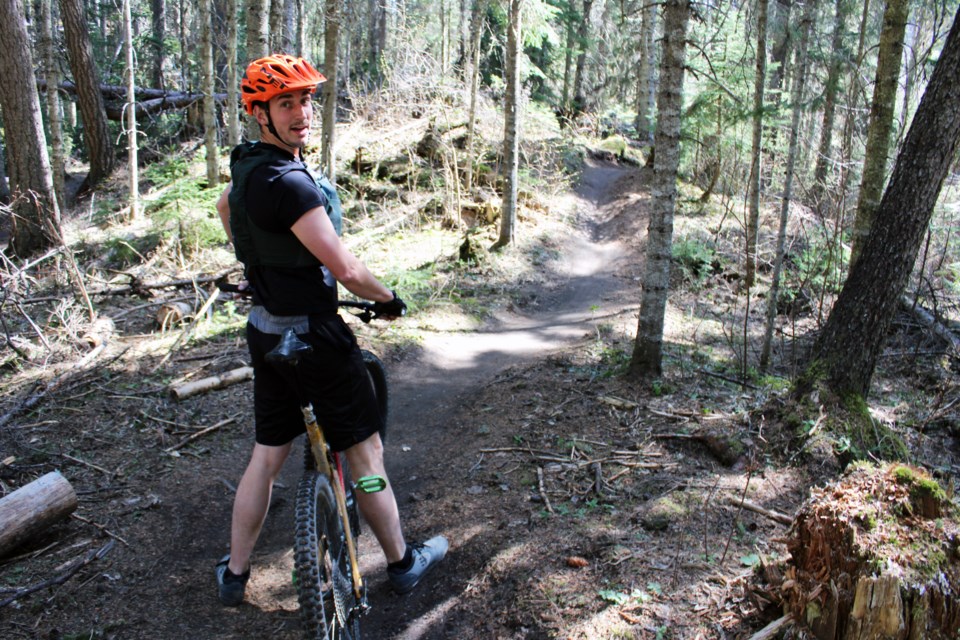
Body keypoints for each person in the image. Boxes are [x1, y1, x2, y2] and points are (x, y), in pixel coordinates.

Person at [214, 54, 447, 607]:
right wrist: (388, 299)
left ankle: (235, 574)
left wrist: (259, 271)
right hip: (316, 339)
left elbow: (227, 206)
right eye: (285, 103)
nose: (301, 113)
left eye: (305, 101)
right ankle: (402, 562)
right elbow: (345, 269)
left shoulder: (248, 167)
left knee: (266, 456)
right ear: (260, 112)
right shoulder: (291, 183)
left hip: (267, 335)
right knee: (366, 458)